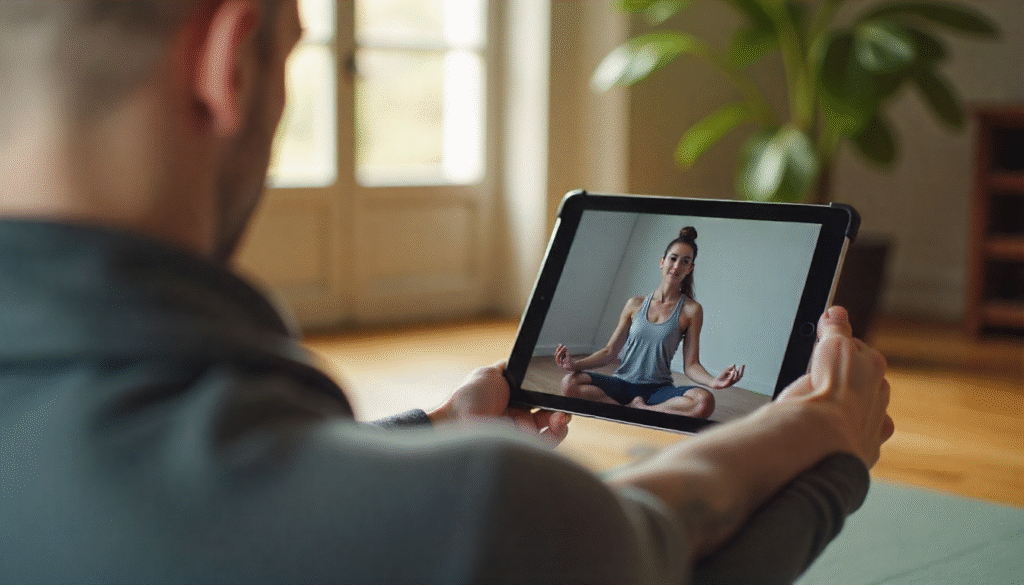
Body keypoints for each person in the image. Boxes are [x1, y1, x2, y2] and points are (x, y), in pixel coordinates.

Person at [0, 1, 894, 583]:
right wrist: (825, 433)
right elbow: (625, 541)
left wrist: (431, 425)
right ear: (229, 62)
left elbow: (266, 499)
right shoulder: (488, 507)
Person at [555, 227, 744, 418]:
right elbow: (609, 352)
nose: (677, 266)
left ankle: (641, 410)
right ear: (662, 261)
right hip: (622, 384)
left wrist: (713, 382)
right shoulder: (635, 304)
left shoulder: (691, 310)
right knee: (569, 383)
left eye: (685, 261)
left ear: (690, 269)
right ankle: (634, 410)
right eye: (673, 258)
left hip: (658, 391)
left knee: (704, 402)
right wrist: (574, 364)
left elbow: (691, 365)